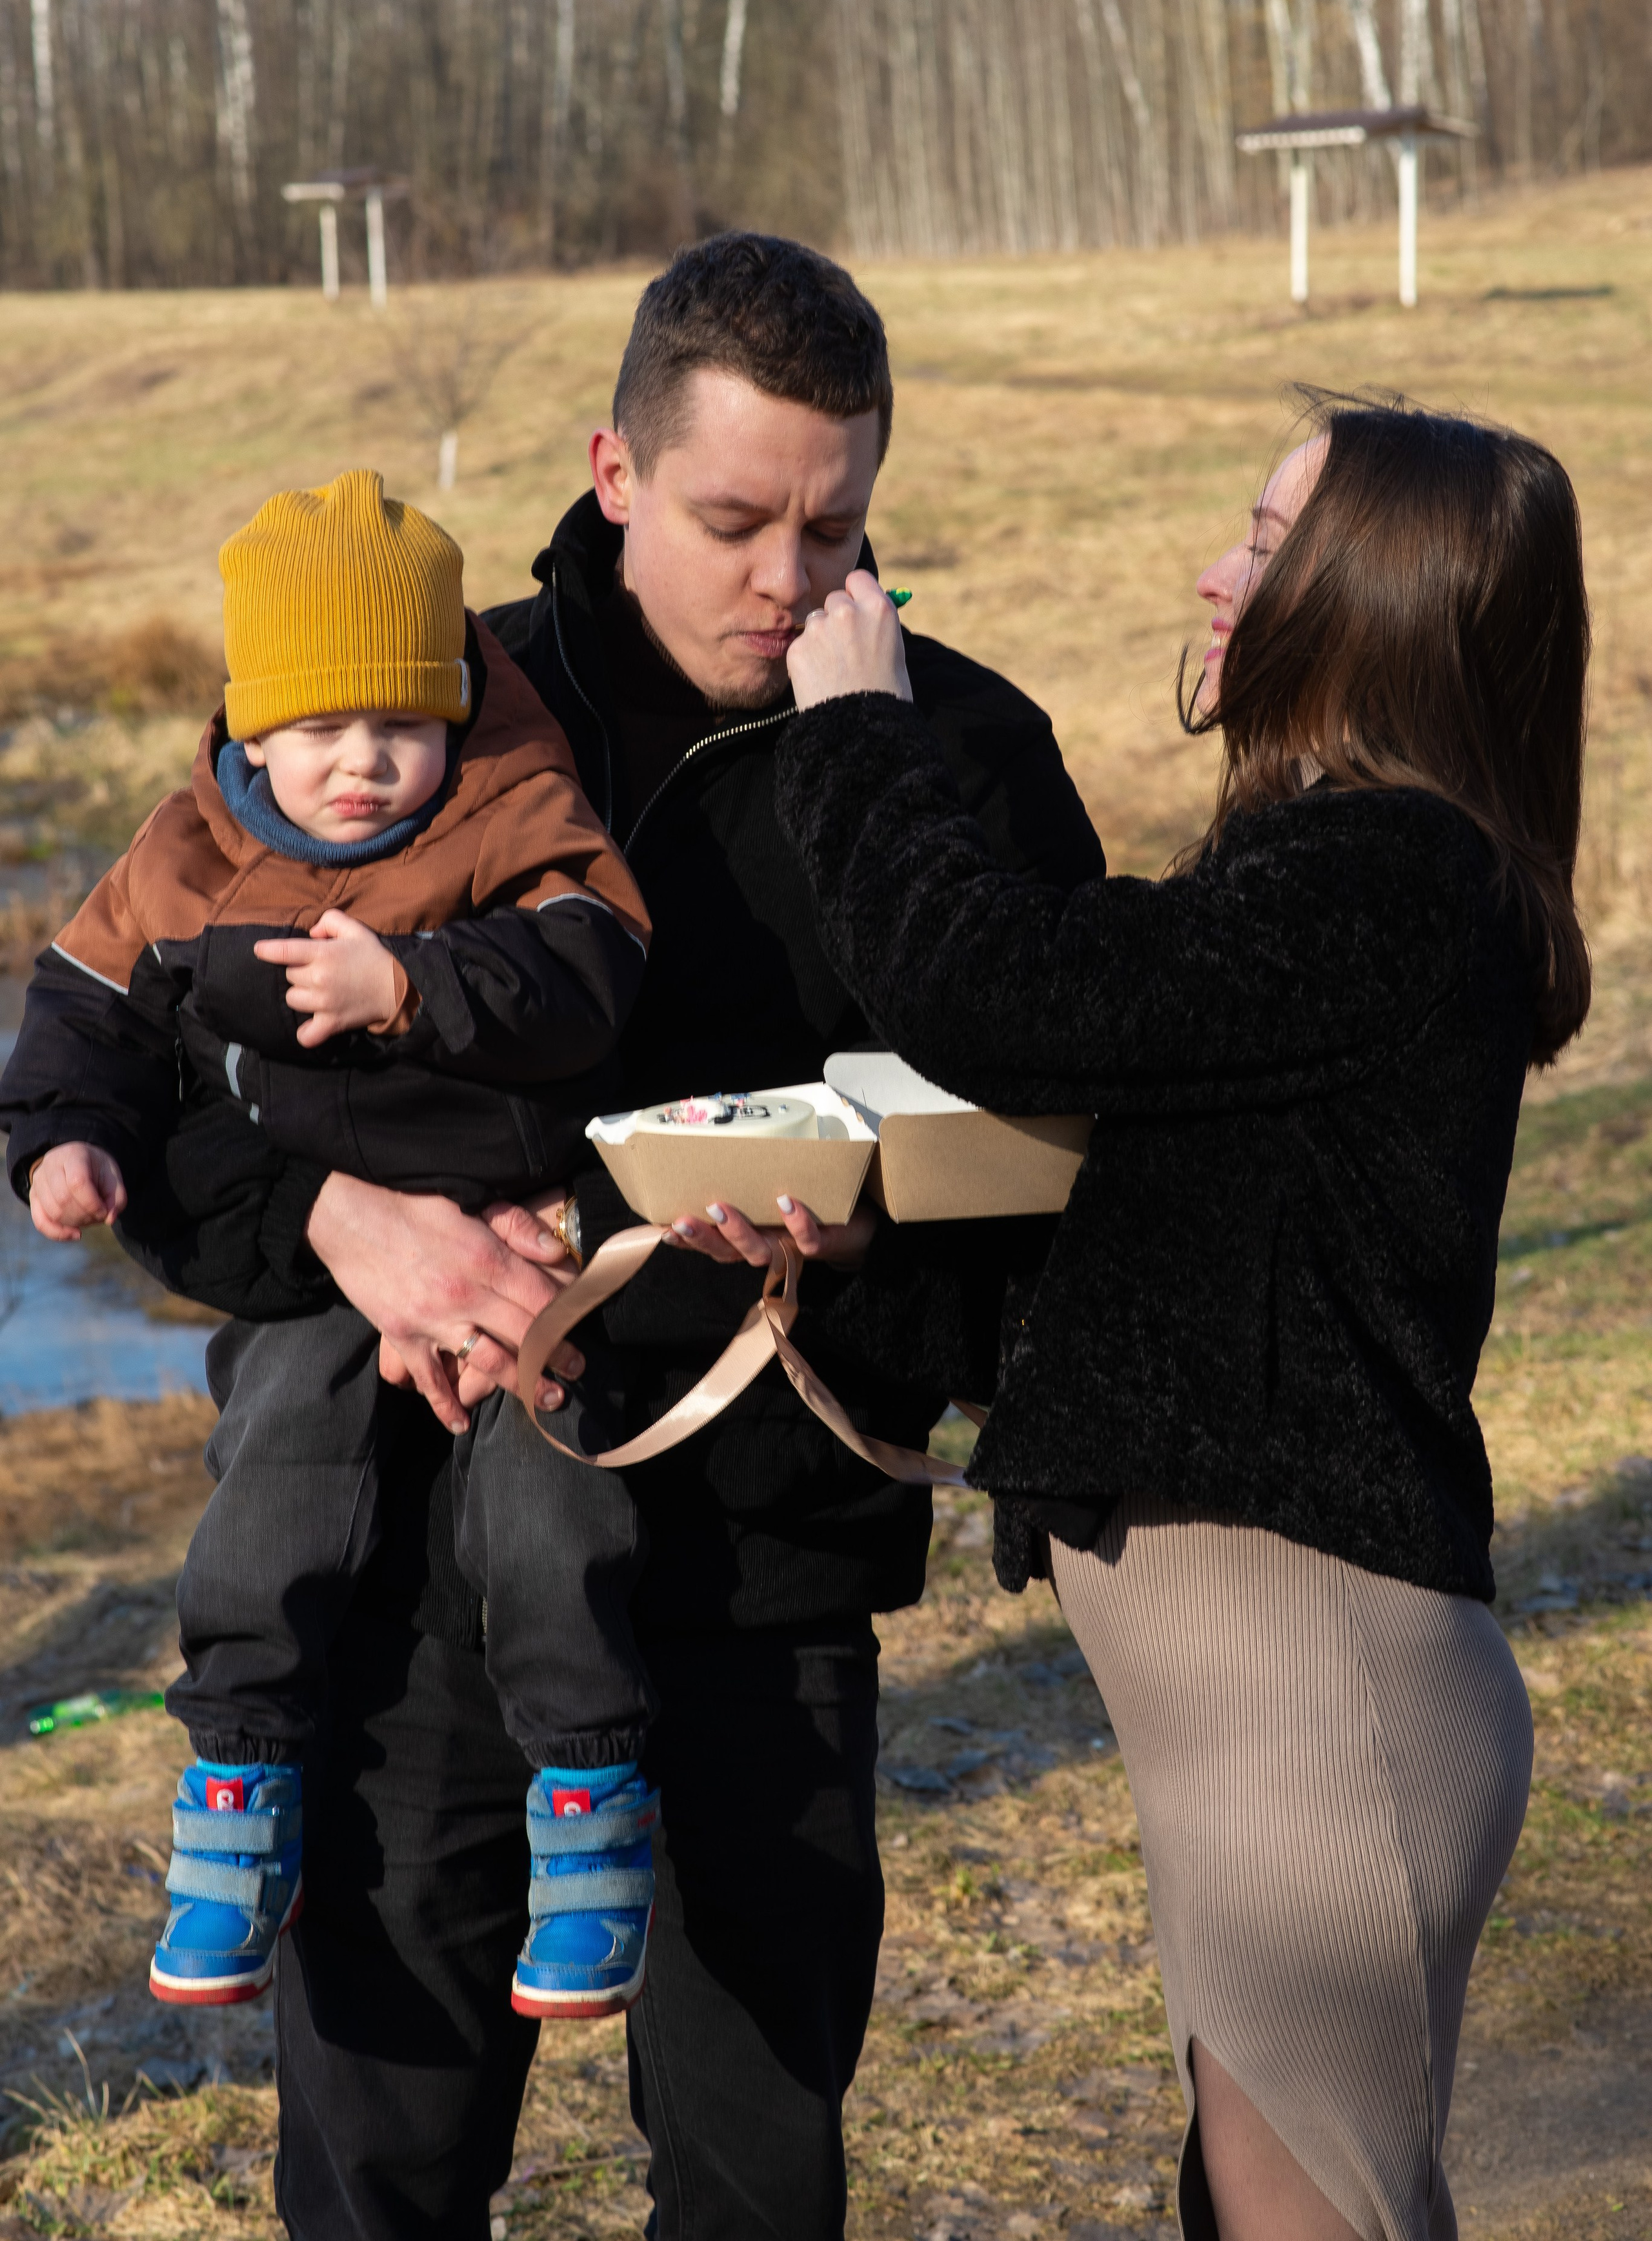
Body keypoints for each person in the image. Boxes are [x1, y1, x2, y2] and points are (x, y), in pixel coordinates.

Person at [105, 235, 1106, 2239]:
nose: (789, 580)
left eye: (839, 527)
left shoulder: (964, 753)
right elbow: (134, 1086)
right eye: (734, 520)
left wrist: (864, 1257)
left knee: (755, 2179)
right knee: (378, 2178)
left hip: (769, 1578)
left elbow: (1057, 1177)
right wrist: (338, 1218)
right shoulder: (404, 717)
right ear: (616, 470)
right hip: (415, 1569)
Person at [759, 399, 1589, 2241]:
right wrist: (869, 1252)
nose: (1218, 572)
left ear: (1375, 602)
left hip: (1323, 1709)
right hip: (1287, 1716)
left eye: (1269, 542)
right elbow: (1163, 1252)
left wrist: (861, 734)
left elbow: (995, 988)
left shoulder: (1391, 871)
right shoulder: (1341, 875)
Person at [0, 468, 665, 2022]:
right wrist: (68, 1143)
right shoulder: (183, 857)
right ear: (249, 725)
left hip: (516, 1238)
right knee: (274, 1467)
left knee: (554, 1508)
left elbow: (592, 965)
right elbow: (85, 1016)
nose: (361, 763)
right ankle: (238, 1778)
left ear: (452, 711)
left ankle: (590, 1802)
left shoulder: (512, 802)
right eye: (317, 728)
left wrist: (417, 984)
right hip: (315, 1261)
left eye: (398, 724)